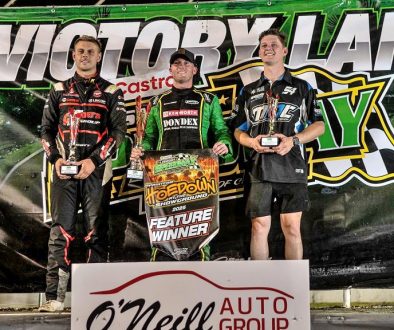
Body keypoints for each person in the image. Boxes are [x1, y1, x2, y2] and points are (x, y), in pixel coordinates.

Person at [39, 35, 126, 312]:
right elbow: (46, 131)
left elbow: (119, 133)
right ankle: (54, 298)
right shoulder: (59, 89)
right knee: (60, 233)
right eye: (80, 51)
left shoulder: (112, 91)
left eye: (90, 51)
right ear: (73, 56)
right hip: (64, 172)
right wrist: (54, 159)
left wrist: (95, 161)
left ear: (99, 56)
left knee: (96, 233)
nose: (85, 55)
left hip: (96, 173)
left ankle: (95, 297)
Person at [229, 28, 325, 260]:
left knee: (291, 227)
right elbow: (237, 131)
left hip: (292, 165)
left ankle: (291, 286)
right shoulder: (248, 91)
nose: (268, 48)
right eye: (263, 45)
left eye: (273, 44)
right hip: (259, 166)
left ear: (284, 50)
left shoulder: (303, 88)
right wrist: (251, 142)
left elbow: (319, 126)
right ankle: (261, 284)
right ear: (259, 52)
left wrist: (293, 140)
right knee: (259, 227)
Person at [130, 48, 232, 261]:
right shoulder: (157, 102)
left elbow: (221, 130)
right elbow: (149, 136)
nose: (181, 67)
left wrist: (223, 144)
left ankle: (201, 272)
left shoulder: (208, 100)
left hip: (200, 175)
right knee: (163, 229)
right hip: (162, 175)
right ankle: (161, 272)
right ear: (170, 69)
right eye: (177, 64)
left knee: (199, 228)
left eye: (186, 64)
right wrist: (140, 149)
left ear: (195, 69)